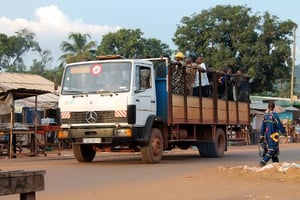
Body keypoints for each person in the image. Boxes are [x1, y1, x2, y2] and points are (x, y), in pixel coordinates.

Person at [259, 101, 286, 167]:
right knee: (272, 149)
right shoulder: (274, 115)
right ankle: (263, 161)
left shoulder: (265, 115)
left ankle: (276, 164)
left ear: (268, 107)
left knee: (274, 151)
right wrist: (284, 132)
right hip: (274, 135)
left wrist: (261, 135)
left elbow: (262, 126)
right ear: (274, 107)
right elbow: (279, 124)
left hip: (268, 135)